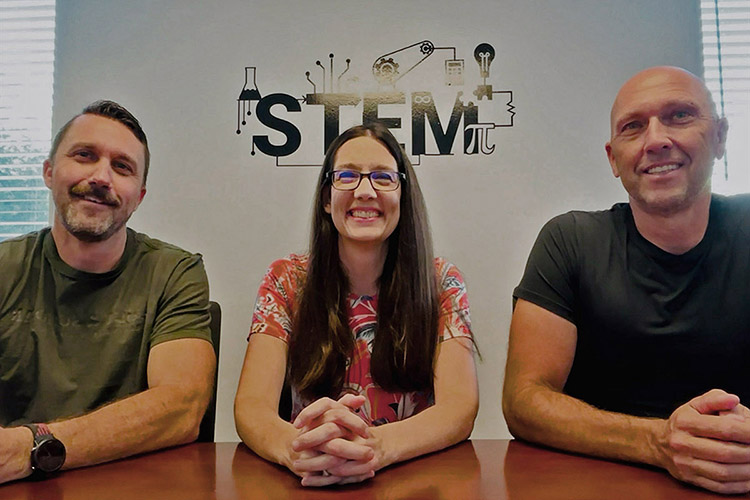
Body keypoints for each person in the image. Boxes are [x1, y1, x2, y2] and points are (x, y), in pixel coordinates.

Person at [503, 66, 750, 495]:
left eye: (679, 116)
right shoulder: (570, 241)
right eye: (633, 127)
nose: (656, 140)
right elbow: (523, 401)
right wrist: (657, 442)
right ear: (613, 158)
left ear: (721, 137)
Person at [234, 122, 478, 487]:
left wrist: (375, 447)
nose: (365, 191)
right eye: (347, 176)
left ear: (403, 197)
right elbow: (252, 407)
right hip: (312, 480)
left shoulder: (441, 282)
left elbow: (459, 408)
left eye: (382, 178)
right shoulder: (285, 279)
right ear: (327, 198)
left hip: (413, 481)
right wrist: (297, 450)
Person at [0, 101, 216, 483]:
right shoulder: (4, 268)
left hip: (132, 487)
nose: (102, 177)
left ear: (139, 196)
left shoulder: (174, 273)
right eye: (85, 156)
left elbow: (181, 409)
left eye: (122, 167)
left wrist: (31, 447)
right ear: (49, 172)